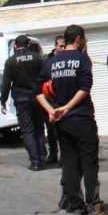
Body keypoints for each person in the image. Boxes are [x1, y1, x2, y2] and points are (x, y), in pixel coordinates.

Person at [37, 25, 108, 215]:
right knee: (89, 164)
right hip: (81, 118)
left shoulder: (52, 61)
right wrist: (67, 107)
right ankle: (93, 207)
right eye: (84, 39)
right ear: (78, 39)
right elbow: (85, 88)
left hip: (62, 122)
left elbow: (38, 91)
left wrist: (51, 110)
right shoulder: (82, 59)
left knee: (70, 164)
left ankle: (77, 207)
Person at [0, 35, 47, 170]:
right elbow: (46, 77)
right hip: (38, 98)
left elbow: (6, 83)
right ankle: (42, 157)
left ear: (15, 45)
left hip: (22, 100)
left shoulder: (11, 61)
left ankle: (35, 161)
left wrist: (3, 100)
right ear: (28, 44)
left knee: (27, 131)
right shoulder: (38, 58)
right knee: (39, 128)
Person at [42, 35, 66, 165]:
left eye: (64, 46)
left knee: (62, 129)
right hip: (50, 98)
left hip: (63, 98)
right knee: (51, 129)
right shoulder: (47, 60)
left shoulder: (67, 59)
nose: (63, 48)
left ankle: (64, 156)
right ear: (55, 46)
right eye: (61, 46)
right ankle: (52, 154)